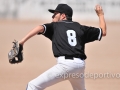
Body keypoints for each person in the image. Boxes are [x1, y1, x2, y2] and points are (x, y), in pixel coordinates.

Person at [19, 3, 106, 90]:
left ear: (63, 16)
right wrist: (101, 15)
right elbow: (103, 32)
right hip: (79, 66)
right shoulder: (80, 27)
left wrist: (22, 41)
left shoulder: (55, 26)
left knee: (32, 86)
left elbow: (40, 27)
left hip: (65, 65)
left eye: (55, 14)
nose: (52, 17)